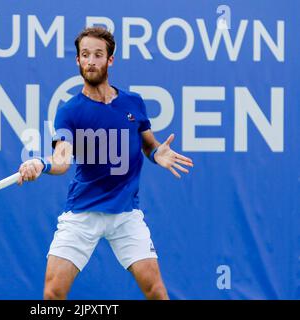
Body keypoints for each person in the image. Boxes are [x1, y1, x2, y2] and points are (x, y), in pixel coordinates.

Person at [17, 27, 194, 300]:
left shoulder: (133, 103)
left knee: (157, 292)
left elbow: (149, 144)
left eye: (98, 55)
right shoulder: (69, 111)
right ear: (77, 61)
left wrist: (158, 153)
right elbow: (62, 159)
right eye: (85, 55)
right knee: (52, 295)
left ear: (109, 60)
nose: (91, 61)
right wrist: (42, 163)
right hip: (82, 212)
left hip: (125, 214)